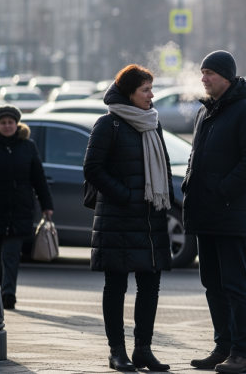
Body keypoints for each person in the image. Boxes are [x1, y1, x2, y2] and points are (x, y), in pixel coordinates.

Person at [84, 64, 174, 372]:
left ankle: (143, 350)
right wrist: (125, 194)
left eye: (151, 88)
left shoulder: (152, 123)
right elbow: (93, 168)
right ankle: (116, 351)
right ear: (129, 93)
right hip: (118, 217)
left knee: (150, 286)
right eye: (145, 90)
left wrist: (163, 198)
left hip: (151, 219)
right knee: (116, 285)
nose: (152, 95)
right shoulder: (108, 125)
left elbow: (163, 163)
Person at [182, 50, 246, 374]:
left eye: (210, 74)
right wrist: (190, 184)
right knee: (212, 283)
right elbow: (196, 157)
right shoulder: (206, 113)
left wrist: (222, 191)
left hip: (229, 212)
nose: (203, 79)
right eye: (202, 73)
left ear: (227, 77)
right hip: (206, 213)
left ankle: (242, 354)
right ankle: (223, 347)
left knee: (235, 284)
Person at [0, 105, 54, 310]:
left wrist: (47, 206)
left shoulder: (28, 146)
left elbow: (39, 178)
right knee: (0, 253)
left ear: (17, 124)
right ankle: (2, 289)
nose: (7, 126)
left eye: (10, 122)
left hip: (21, 208)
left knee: (10, 253)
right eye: (3, 123)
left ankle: (8, 294)